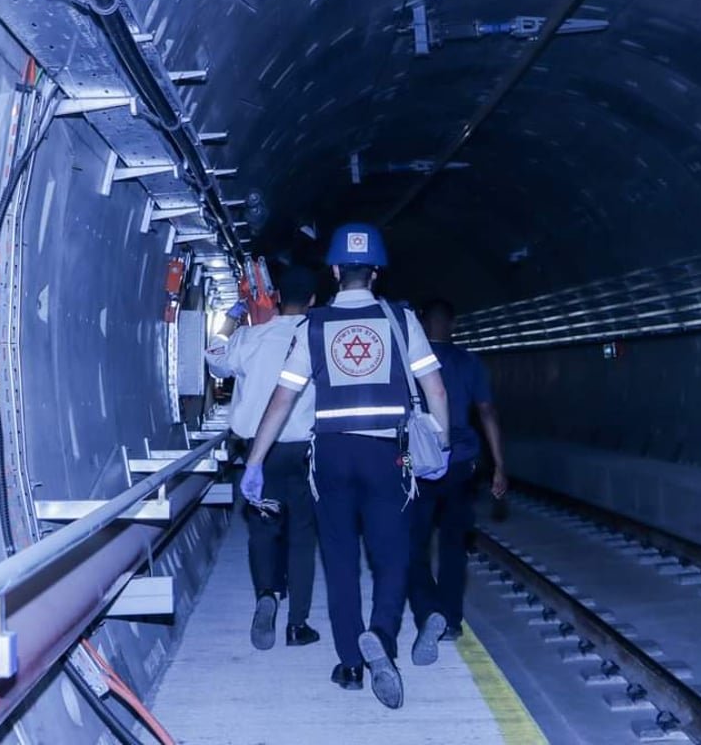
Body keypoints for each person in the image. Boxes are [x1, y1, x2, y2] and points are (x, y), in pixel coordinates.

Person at [241, 223, 451, 710]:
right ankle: (380, 634)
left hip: (331, 455)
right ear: (375, 272)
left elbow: (281, 399)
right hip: (387, 455)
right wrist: (438, 443)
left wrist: (255, 462)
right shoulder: (400, 319)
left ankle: (352, 665)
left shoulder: (313, 326)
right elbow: (435, 388)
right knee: (391, 556)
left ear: (335, 272)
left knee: (338, 560)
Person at [205, 265, 321, 651]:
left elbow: (215, 360)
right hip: (304, 451)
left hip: (259, 451)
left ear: (275, 299)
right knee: (302, 536)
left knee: (263, 529)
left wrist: (229, 321)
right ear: (314, 301)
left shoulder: (251, 338)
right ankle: (297, 625)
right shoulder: (318, 337)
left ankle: (267, 595)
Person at [408, 298, 508, 643]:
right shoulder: (469, 362)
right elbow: (488, 412)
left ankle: (427, 610)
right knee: (453, 545)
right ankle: (451, 619)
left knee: (413, 545)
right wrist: (499, 466)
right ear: (453, 325)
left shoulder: (410, 361)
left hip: (418, 466)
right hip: (461, 465)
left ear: (421, 324)